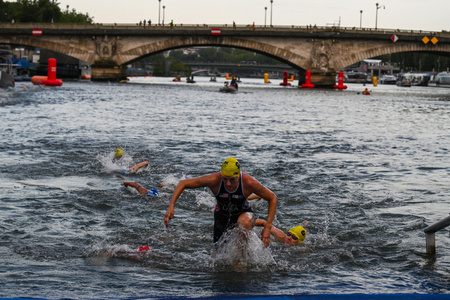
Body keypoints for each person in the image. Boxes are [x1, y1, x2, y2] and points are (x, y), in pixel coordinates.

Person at [164, 157, 277, 247]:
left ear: (239, 176)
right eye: (225, 178)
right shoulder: (214, 180)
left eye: (232, 179)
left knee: (244, 222)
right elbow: (183, 183)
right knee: (218, 256)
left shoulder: (249, 182)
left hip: (243, 213)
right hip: (221, 217)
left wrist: (267, 228)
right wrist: (171, 205)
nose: (228, 183)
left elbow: (272, 198)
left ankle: (241, 260)